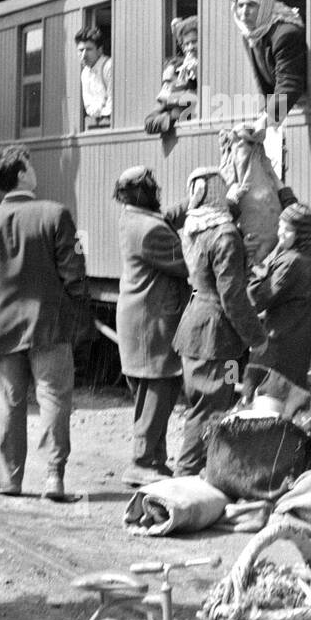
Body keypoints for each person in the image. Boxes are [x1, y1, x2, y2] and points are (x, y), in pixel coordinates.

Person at [0, 145, 87, 502]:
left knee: (9, 402)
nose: (34, 171)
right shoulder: (55, 215)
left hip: (1, 327)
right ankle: (54, 478)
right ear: (20, 174)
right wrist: (73, 311)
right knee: (53, 398)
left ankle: (9, 479)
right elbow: (75, 273)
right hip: (49, 326)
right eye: (29, 165)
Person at [171, 167, 268, 479]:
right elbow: (233, 297)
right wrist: (257, 337)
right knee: (209, 409)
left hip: (198, 329)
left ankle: (198, 477)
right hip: (216, 337)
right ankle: (183, 482)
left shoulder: (194, 227)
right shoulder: (225, 234)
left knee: (212, 404)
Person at [113, 166, 189, 486]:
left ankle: (154, 461)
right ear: (144, 193)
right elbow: (188, 263)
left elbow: (165, 218)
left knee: (149, 395)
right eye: (153, 187)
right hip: (152, 323)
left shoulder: (132, 219)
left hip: (140, 321)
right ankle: (143, 461)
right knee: (161, 387)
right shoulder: (150, 230)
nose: (158, 191)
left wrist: (194, 202)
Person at [246, 201, 311, 391]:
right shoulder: (308, 252)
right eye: (279, 226)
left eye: (287, 230)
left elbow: (258, 298)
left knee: (258, 391)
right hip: (296, 342)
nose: (280, 233)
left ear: (300, 234)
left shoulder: (290, 262)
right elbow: (301, 219)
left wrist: (251, 267)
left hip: (279, 344)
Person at [229, 0, 307, 128]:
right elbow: (266, 87)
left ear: (264, 4)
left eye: (251, 5)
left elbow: (289, 83)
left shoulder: (285, 34)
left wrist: (267, 120)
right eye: (240, 5)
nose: (243, 13)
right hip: (285, 111)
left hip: (301, 106)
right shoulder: (251, 35)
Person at [143, 15, 198, 135]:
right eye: (186, 44)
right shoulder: (175, 72)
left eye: (194, 42)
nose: (191, 48)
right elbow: (149, 122)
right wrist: (173, 115)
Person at [75, 25, 113, 127]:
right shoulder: (85, 73)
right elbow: (89, 106)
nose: (83, 55)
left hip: (109, 122)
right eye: (80, 50)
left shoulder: (109, 66)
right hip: (94, 123)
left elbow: (112, 103)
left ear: (99, 50)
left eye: (88, 49)